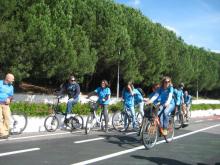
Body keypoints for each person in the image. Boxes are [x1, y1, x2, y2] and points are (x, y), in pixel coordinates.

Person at [0, 73, 15, 139]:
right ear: (8, 78)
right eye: (12, 79)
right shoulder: (0, 83)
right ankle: (2, 133)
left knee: (7, 118)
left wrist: (9, 99)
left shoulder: (11, 87)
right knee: (0, 118)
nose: (13, 81)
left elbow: (11, 95)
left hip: (6, 104)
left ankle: (5, 132)